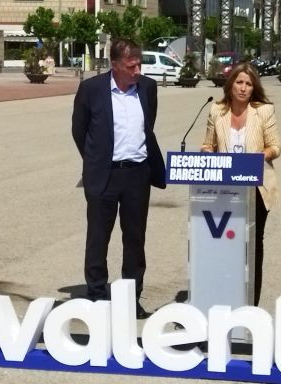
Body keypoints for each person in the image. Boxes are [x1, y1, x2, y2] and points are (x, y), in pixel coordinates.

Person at [71, 38, 166, 319]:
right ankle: (97, 296)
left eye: (139, 64)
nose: (137, 70)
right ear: (114, 65)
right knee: (98, 237)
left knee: (135, 240)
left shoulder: (148, 88)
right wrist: (95, 161)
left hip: (137, 174)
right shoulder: (91, 89)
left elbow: (148, 127)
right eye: (131, 66)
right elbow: (79, 130)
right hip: (105, 175)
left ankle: (130, 298)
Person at [200, 63, 281, 306]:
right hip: (224, 187)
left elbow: (276, 146)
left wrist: (261, 156)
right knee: (225, 244)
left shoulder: (264, 111)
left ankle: (250, 304)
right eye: (239, 82)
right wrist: (207, 154)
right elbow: (207, 144)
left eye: (248, 84)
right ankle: (224, 298)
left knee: (252, 245)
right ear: (231, 84)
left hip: (256, 187)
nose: (244, 88)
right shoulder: (217, 110)